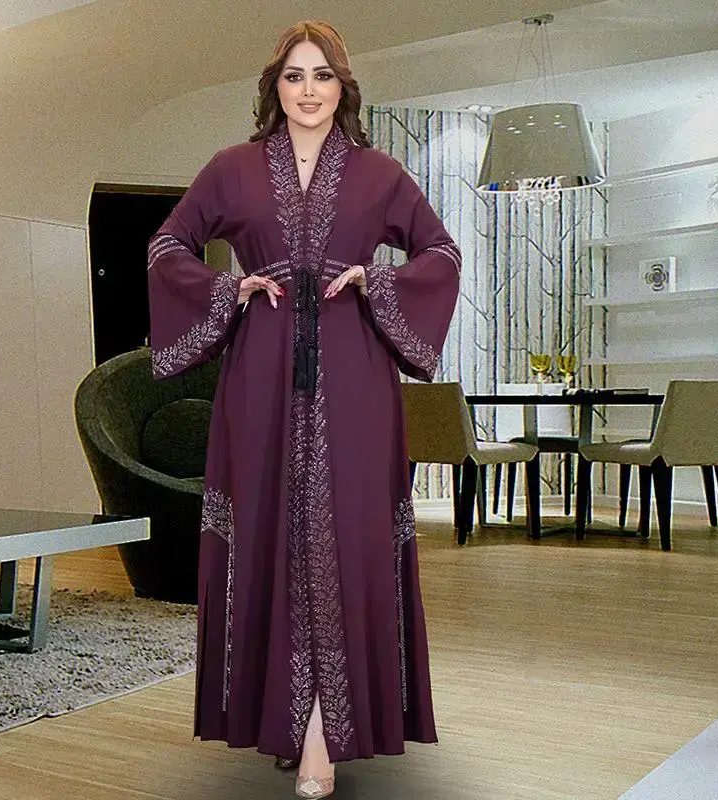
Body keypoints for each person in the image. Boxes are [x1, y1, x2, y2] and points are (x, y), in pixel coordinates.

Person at [147, 20, 461, 799]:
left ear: (342, 87)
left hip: (355, 380)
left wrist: (373, 282)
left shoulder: (381, 174)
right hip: (260, 377)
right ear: (275, 86)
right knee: (269, 535)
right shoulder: (232, 169)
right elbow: (167, 248)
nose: (309, 90)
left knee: (348, 539)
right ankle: (288, 720)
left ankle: (323, 729)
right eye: (294, 76)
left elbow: (441, 254)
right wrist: (233, 288)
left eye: (323, 76)